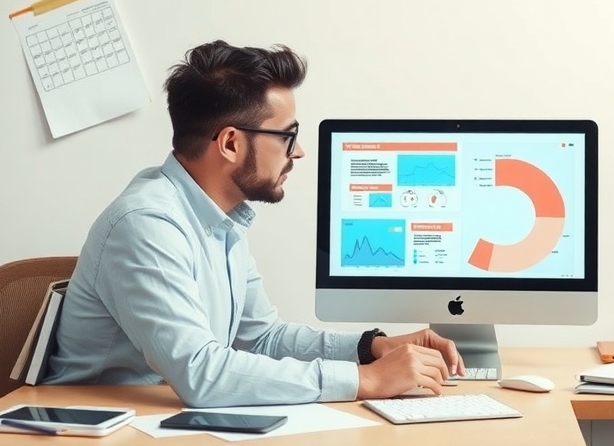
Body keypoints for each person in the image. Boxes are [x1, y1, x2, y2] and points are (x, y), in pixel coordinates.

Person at [45, 40, 465, 407]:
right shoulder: (145, 224)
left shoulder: (220, 219)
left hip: (167, 418)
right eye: (288, 135)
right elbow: (200, 374)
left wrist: (369, 349)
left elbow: (260, 338)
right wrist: (365, 381)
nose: (298, 153)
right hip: (94, 429)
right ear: (230, 143)